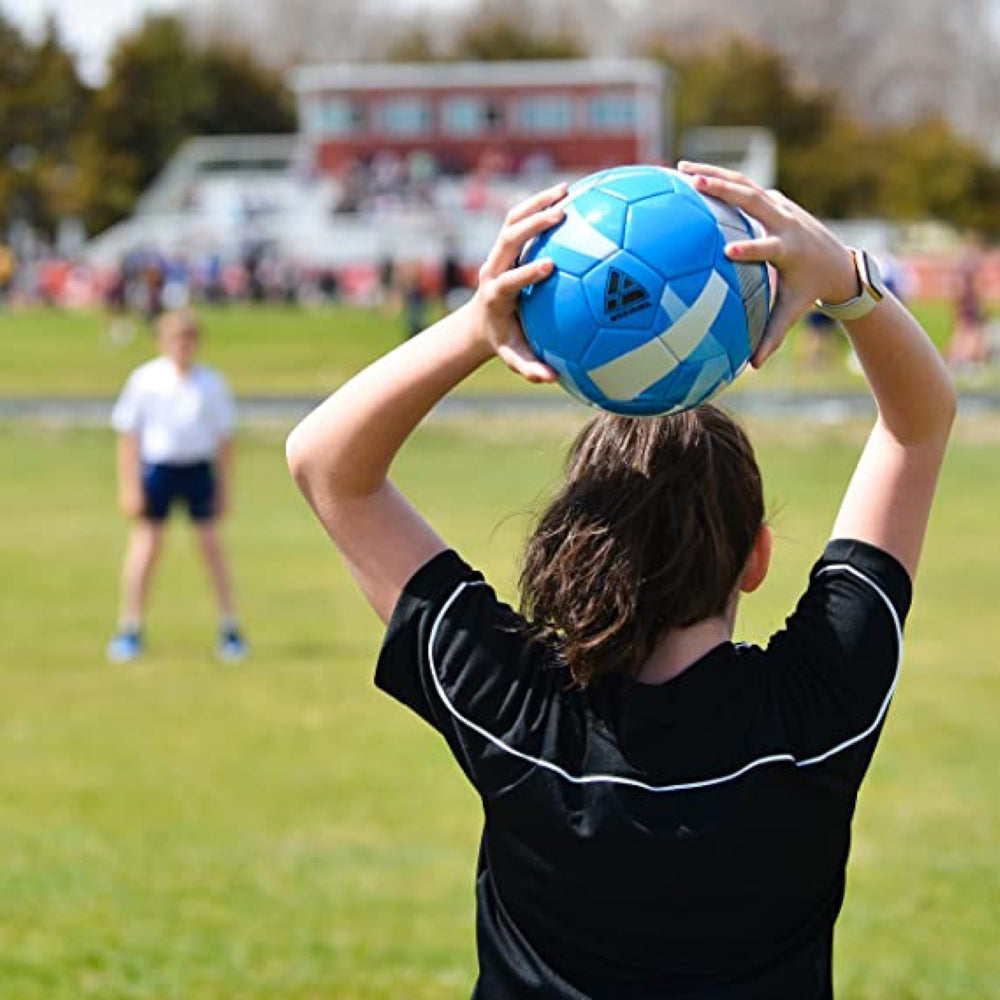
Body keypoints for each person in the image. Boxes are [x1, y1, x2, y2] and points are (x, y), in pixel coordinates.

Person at [285, 163, 955, 998]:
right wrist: (847, 282)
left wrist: (477, 324)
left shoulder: (518, 711)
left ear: (573, 547)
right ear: (755, 557)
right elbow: (917, 429)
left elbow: (327, 465)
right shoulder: (820, 706)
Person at [107, 310, 247, 664]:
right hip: (158, 471)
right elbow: (128, 436)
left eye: (188, 339)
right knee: (146, 548)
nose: (182, 346)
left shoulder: (211, 383)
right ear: (162, 343)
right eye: (174, 339)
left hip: (198, 471)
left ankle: (229, 627)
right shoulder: (145, 380)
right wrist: (130, 486)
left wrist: (224, 488)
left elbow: (225, 439)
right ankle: (130, 627)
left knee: (211, 549)